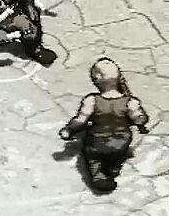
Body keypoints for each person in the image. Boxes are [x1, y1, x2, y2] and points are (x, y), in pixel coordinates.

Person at [60, 58, 149, 192]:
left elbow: (81, 120)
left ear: (97, 79)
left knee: (93, 157)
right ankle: (113, 167)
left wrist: (69, 129)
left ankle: (99, 176)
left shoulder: (92, 100)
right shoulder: (130, 102)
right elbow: (139, 119)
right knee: (117, 155)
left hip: (97, 143)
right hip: (120, 143)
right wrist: (140, 120)